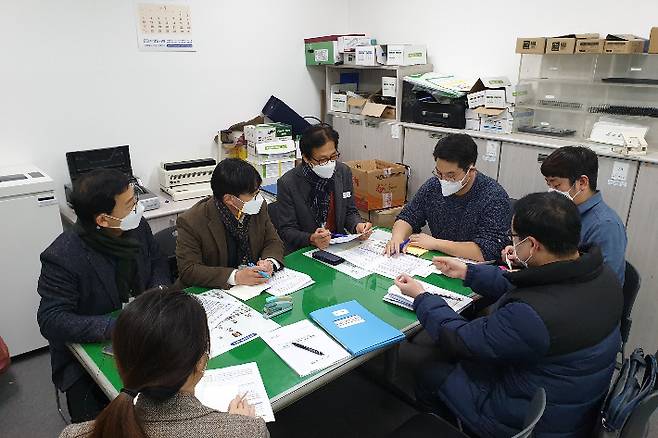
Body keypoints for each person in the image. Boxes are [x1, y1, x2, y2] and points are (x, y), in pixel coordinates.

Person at [394, 192, 623, 437]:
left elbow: (460, 340)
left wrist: (422, 297)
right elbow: (532, 285)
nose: (512, 243)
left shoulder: (531, 316)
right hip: (575, 400)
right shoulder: (602, 276)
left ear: (533, 245)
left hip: (530, 420)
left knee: (430, 373)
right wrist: (469, 273)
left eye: (515, 237)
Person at [37, 169, 170, 423]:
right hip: (88, 354)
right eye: (131, 204)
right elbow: (51, 319)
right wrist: (117, 325)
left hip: (148, 335)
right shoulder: (63, 256)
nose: (137, 209)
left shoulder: (137, 226)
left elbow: (157, 262)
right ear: (104, 220)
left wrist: (158, 293)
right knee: (102, 425)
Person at [59, 287, 269, 438]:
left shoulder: (73, 435)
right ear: (201, 362)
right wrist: (234, 425)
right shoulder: (248, 431)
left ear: (119, 364)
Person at [385, 133, 510, 262]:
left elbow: (488, 251)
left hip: (476, 270)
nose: (444, 180)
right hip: (441, 262)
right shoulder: (434, 186)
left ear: (470, 170)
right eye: (439, 173)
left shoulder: (493, 197)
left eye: (451, 175)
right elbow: (408, 216)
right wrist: (397, 237)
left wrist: (436, 243)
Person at [176, 158, 284, 289]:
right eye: (253, 195)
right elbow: (189, 270)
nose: (258, 199)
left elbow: (273, 241)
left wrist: (269, 262)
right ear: (229, 199)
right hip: (213, 291)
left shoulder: (258, 207)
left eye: (258, 192)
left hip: (253, 289)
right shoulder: (191, 221)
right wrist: (235, 277)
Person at [534, 146, 626, 284]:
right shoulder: (563, 211)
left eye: (557, 185)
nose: (551, 191)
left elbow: (607, 284)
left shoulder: (605, 226)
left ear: (582, 182)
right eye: (548, 184)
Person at [276, 124, 372, 253]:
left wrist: (357, 226)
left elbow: (349, 211)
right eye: (322, 160)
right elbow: (286, 229)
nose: (329, 163)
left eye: (333, 156)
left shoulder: (343, 172)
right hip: (305, 250)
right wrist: (311, 238)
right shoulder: (288, 183)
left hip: (337, 245)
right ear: (306, 158)